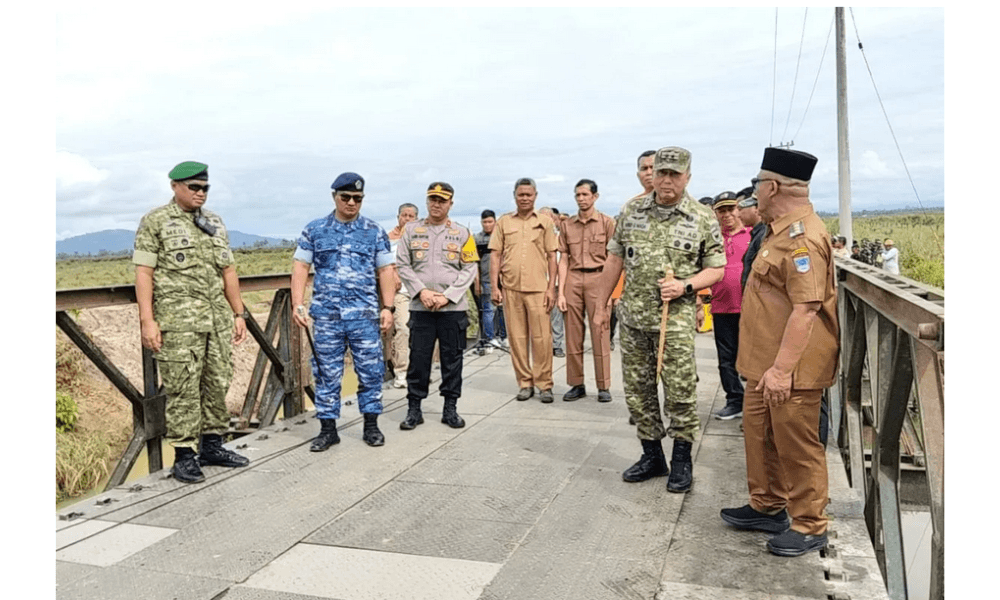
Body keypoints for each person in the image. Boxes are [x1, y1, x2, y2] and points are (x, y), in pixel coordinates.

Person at [720, 147, 839, 557]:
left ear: (772, 187)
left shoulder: (803, 237)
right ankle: (767, 505)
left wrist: (783, 370)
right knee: (759, 433)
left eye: (757, 185)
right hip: (763, 364)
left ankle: (809, 524)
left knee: (796, 444)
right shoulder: (777, 230)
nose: (755, 193)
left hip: (791, 368)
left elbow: (806, 310)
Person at [594, 147, 725, 493]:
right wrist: (600, 304)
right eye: (661, 173)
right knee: (638, 392)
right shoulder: (632, 210)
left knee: (680, 391)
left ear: (688, 178)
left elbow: (716, 268)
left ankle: (682, 459)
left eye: (674, 174)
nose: (666, 180)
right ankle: (652, 455)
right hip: (634, 319)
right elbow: (614, 261)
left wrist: (685, 285)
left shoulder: (701, 217)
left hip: (675, 321)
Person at [133, 160, 250, 484]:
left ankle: (212, 445)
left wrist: (238, 313)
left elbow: (228, 271)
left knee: (217, 382)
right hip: (179, 322)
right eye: (194, 187)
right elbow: (144, 272)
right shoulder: (156, 221)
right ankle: (184, 455)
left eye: (205, 188)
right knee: (183, 388)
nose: (201, 193)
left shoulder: (214, 222)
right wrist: (148, 321)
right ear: (175, 186)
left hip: (216, 321)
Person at [291, 172, 395, 452]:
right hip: (327, 317)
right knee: (326, 374)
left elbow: (386, 270)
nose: (351, 203)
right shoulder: (315, 230)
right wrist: (297, 303)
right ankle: (328, 430)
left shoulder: (374, 231)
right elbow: (301, 266)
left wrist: (388, 307)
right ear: (334, 196)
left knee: (371, 371)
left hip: (364, 316)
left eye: (357, 199)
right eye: (346, 197)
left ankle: (371, 425)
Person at [395, 182, 479, 430]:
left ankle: (450, 408)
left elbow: (469, 268)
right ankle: (414, 408)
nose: (436, 204)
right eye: (433, 199)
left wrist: (448, 296)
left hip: (452, 309)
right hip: (421, 308)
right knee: (418, 358)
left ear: (450, 203)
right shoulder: (411, 230)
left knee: (452, 359)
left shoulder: (462, 233)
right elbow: (403, 264)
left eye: (442, 200)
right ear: (426, 201)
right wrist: (422, 292)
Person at [489, 177, 559, 403]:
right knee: (517, 338)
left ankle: (544, 384)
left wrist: (551, 288)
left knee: (542, 338)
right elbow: (495, 255)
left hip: (538, 288)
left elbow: (552, 256)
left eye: (529, 195)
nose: (525, 198)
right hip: (511, 288)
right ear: (515, 196)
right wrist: (495, 286)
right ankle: (525, 383)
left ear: (535, 196)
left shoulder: (545, 222)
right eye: (521, 194)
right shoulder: (504, 222)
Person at [557, 179, 616, 403]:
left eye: (585, 194)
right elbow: (563, 258)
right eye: (577, 195)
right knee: (572, 335)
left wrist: (612, 292)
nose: (581, 199)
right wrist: (561, 291)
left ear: (595, 197)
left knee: (600, 332)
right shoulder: (566, 225)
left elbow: (614, 259)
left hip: (599, 278)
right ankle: (576, 383)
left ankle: (603, 385)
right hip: (573, 277)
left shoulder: (607, 223)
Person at [709, 191, 751, 420]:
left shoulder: (753, 235)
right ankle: (734, 400)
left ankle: (755, 403)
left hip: (749, 308)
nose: (726, 215)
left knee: (753, 356)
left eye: (730, 209)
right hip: (721, 306)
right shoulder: (712, 239)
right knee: (726, 358)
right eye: (721, 210)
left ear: (739, 209)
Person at [387, 203, 419, 388]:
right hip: (400, 291)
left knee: (421, 331)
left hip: (419, 290)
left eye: (411, 216)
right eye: (404, 215)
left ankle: (420, 369)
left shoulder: (421, 237)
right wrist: (393, 272)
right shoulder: (389, 238)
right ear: (398, 217)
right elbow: (382, 263)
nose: (407, 219)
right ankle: (401, 372)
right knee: (403, 329)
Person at [539, 206, 566, 358]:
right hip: (537, 283)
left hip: (554, 283)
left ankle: (557, 345)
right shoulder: (532, 237)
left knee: (556, 315)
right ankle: (542, 345)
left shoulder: (560, 238)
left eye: (547, 217)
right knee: (540, 316)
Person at [473, 210, 501, 352]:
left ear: (495, 222)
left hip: (503, 279)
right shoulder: (476, 239)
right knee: (488, 311)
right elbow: (474, 263)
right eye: (485, 222)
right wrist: (477, 282)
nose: (487, 224)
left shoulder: (501, 237)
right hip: (486, 279)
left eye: (490, 221)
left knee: (502, 310)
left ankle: (502, 336)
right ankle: (489, 338)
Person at [739, 188, 767, 291]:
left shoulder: (763, 235)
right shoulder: (757, 234)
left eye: (741, 209)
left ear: (755, 207)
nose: (738, 214)